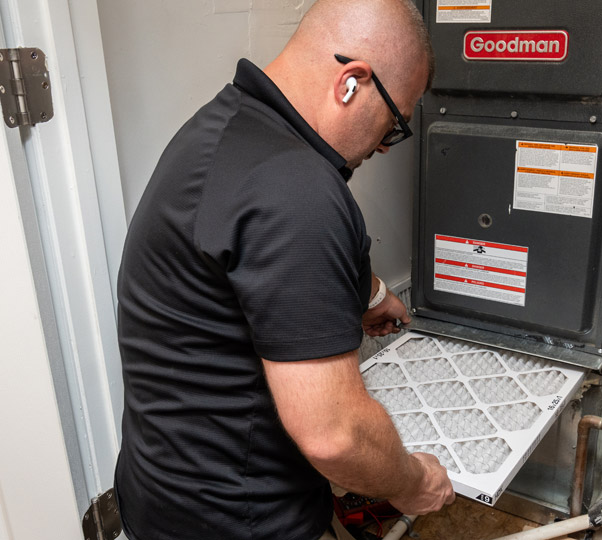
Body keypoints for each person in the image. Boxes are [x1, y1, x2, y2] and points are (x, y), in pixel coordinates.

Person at [113, 1, 455, 539]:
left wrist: (368, 296)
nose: (386, 148)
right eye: (394, 125)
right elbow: (335, 437)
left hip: (159, 494)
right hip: (241, 521)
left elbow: (256, 261)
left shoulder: (226, 127)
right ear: (352, 83)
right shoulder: (296, 190)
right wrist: (412, 482)